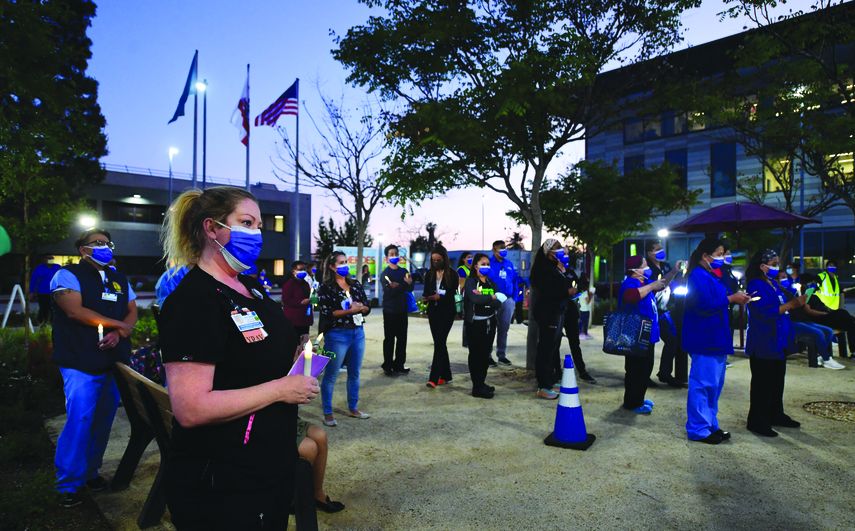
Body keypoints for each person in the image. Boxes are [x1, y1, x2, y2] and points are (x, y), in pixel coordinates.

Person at [157, 187, 318, 528]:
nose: (256, 234)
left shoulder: (249, 287)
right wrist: (280, 389)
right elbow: (191, 408)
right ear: (211, 228)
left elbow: (251, 354)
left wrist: (293, 359)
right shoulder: (194, 302)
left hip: (265, 466)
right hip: (223, 482)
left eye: (259, 225)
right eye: (246, 222)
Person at [50, 229, 138, 508]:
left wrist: (120, 333)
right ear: (82, 249)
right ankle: (69, 483)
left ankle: (91, 473)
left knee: (103, 422)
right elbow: (74, 311)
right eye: (97, 243)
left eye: (107, 243)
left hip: (112, 362)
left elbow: (132, 310)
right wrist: (117, 325)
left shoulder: (118, 278)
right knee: (80, 420)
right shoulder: (67, 276)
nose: (104, 247)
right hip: (80, 362)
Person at [683, 238, 751, 444]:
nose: (722, 257)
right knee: (703, 384)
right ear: (705, 256)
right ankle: (698, 428)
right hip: (704, 337)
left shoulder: (710, 275)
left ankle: (710, 423)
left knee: (714, 385)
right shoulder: (697, 276)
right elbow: (704, 304)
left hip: (715, 336)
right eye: (719, 253)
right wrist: (732, 299)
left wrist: (735, 296)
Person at [745, 249, 803, 437]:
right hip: (764, 341)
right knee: (763, 383)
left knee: (777, 381)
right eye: (774, 263)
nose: (777, 267)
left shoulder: (773, 284)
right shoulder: (755, 285)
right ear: (762, 266)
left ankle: (775, 414)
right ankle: (757, 421)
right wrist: (789, 306)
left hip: (778, 341)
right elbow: (763, 312)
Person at [318, 251, 371, 426]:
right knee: (331, 375)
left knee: (354, 373)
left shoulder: (355, 285)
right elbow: (328, 312)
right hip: (337, 335)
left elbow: (367, 305)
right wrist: (350, 310)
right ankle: (328, 412)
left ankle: (353, 407)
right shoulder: (326, 287)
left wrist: (363, 308)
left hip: (358, 332)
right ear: (332, 267)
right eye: (340, 262)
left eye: (346, 261)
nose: (344, 265)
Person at [618, 255, 666, 414]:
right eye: (644, 265)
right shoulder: (629, 284)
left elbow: (661, 285)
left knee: (645, 369)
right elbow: (631, 296)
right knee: (635, 370)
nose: (648, 268)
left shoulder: (643, 283)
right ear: (635, 270)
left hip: (646, 336)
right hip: (636, 337)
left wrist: (673, 272)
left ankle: (638, 399)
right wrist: (652, 286)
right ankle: (632, 403)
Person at [530, 239, 573, 400]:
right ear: (548, 252)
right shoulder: (543, 269)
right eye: (557, 249)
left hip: (557, 311)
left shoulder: (555, 267)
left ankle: (550, 379)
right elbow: (550, 291)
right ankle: (543, 385)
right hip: (548, 313)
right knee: (546, 350)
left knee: (553, 349)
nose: (560, 252)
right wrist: (567, 291)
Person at [463, 253, 502, 398]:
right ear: (476, 266)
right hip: (475, 324)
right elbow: (474, 298)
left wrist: (486, 299)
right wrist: (490, 298)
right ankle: (476, 387)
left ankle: (482, 382)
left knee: (486, 354)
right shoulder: (471, 282)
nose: (486, 266)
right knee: (476, 355)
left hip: (490, 322)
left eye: (487, 264)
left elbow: (498, 301)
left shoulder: (491, 283)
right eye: (483, 264)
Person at [422, 246, 458, 388]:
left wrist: (440, 298)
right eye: (433, 260)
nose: (436, 262)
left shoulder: (452, 274)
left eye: (438, 259)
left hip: (447, 312)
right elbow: (426, 291)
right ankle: (446, 375)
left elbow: (453, 293)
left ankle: (434, 377)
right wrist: (428, 297)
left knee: (440, 342)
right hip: (433, 312)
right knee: (440, 343)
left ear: (444, 259)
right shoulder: (429, 274)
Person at [560, 251, 596, 383]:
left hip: (570, 310)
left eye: (566, 254)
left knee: (575, 342)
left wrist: (580, 286)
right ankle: (556, 373)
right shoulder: (552, 271)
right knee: (554, 342)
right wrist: (565, 292)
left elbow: (580, 286)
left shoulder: (570, 271)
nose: (564, 256)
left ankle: (582, 370)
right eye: (562, 253)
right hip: (557, 311)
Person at [296, 418, 345, 513]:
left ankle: (318, 494)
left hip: (289, 417)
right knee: (309, 448)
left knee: (320, 435)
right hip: (269, 423)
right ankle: (298, 500)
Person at [800, 272, 855, 355]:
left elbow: (821, 306)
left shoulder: (814, 294)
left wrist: (828, 310)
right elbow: (809, 311)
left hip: (827, 315)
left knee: (849, 320)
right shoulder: (805, 296)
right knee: (845, 316)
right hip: (821, 318)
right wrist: (825, 314)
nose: (815, 284)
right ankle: (853, 351)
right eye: (812, 282)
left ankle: (853, 351)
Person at [380, 244, 413, 376]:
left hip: (402, 310)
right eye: (391, 254)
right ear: (387, 258)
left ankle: (399, 364)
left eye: (396, 254)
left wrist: (402, 285)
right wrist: (404, 284)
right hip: (389, 311)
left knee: (402, 339)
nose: (394, 256)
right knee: (389, 339)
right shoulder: (385, 274)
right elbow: (389, 293)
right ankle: (387, 365)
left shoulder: (404, 271)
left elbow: (410, 288)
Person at [487, 240, 517, 366]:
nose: (504, 250)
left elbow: (515, 280)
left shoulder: (509, 264)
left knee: (504, 328)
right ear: (494, 250)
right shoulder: (488, 263)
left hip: (508, 300)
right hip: (493, 300)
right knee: (490, 329)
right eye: (501, 248)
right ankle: (487, 355)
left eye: (505, 248)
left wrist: (514, 298)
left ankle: (501, 355)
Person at [281, 261, 314, 336]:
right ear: (293, 271)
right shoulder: (289, 284)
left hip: (305, 319)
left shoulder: (305, 283)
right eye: (300, 269)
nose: (303, 271)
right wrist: (300, 302)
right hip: (293, 320)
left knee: (304, 342)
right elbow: (286, 300)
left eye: (304, 269)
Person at [30, 254, 61, 324]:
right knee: (43, 308)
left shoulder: (57, 267)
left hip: (55, 292)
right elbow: (34, 280)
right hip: (42, 292)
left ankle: (53, 322)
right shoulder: (39, 268)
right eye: (49, 258)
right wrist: (32, 292)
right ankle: (41, 321)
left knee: (54, 308)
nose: (50, 259)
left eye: (52, 258)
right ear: (44, 259)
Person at [456, 252, 473, 347]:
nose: (471, 259)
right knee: (467, 319)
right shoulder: (462, 270)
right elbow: (460, 285)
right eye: (468, 257)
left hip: (472, 296)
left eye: (472, 257)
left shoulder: (473, 269)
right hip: (465, 297)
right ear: (463, 259)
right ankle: (466, 341)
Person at [578, 274, 594, 340]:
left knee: (581, 321)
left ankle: (580, 333)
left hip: (581, 309)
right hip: (586, 309)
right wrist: (591, 295)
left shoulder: (580, 292)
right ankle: (585, 333)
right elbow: (587, 301)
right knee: (585, 322)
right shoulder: (585, 293)